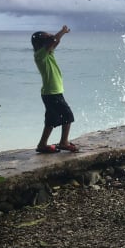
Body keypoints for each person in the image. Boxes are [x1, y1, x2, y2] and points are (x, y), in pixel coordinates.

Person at [31, 25, 79, 153]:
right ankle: (63, 142)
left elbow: (55, 41)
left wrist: (60, 35)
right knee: (68, 116)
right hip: (52, 93)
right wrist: (61, 32)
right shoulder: (40, 55)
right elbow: (53, 40)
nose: (51, 38)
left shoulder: (48, 53)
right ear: (42, 43)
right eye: (47, 37)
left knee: (51, 120)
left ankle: (42, 145)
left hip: (52, 93)